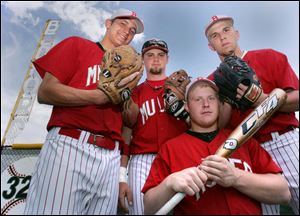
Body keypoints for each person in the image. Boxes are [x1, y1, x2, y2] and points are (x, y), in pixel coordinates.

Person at [24, 8, 144, 215]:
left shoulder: (128, 71)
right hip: (70, 145)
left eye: (133, 30)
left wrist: (128, 94)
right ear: (108, 23)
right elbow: (45, 92)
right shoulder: (77, 45)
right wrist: (96, 97)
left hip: (111, 156)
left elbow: (130, 121)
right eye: (122, 24)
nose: (127, 31)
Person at [142, 77, 291, 215]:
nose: (205, 104)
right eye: (197, 99)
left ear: (219, 104)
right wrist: (169, 184)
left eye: (211, 98)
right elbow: (148, 208)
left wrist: (236, 177)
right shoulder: (170, 149)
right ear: (187, 107)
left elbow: (283, 193)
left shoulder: (245, 142)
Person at [205, 15, 299, 215]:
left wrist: (262, 100)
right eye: (214, 35)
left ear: (236, 33)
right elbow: (217, 126)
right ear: (211, 46)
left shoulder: (269, 56)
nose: (222, 37)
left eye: (226, 30)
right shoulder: (211, 81)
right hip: (247, 153)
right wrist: (228, 100)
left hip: (284, 142)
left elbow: (297, 98)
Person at [118, 38, 188, 215]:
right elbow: (126, 135)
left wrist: (186, 109)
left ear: (167, 59)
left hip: (180, 158)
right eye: (150, 55)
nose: (156, 59)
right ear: (142, 59)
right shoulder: (134, 92)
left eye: (160, 55)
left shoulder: (184, 89)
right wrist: (121, 177)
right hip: (143, 161)